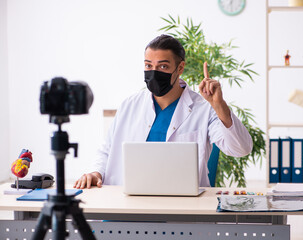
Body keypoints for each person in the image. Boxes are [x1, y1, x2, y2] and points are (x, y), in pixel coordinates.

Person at [74, 34, 253, 189]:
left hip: (181, 209)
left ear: (180, 68)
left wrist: (219, 105)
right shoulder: (130, 105)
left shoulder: (204, 109)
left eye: (163, 67)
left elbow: (241, 149)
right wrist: (95, 173)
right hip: (128, 204)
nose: (154, 72)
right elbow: (106, 150)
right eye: (148, 66)